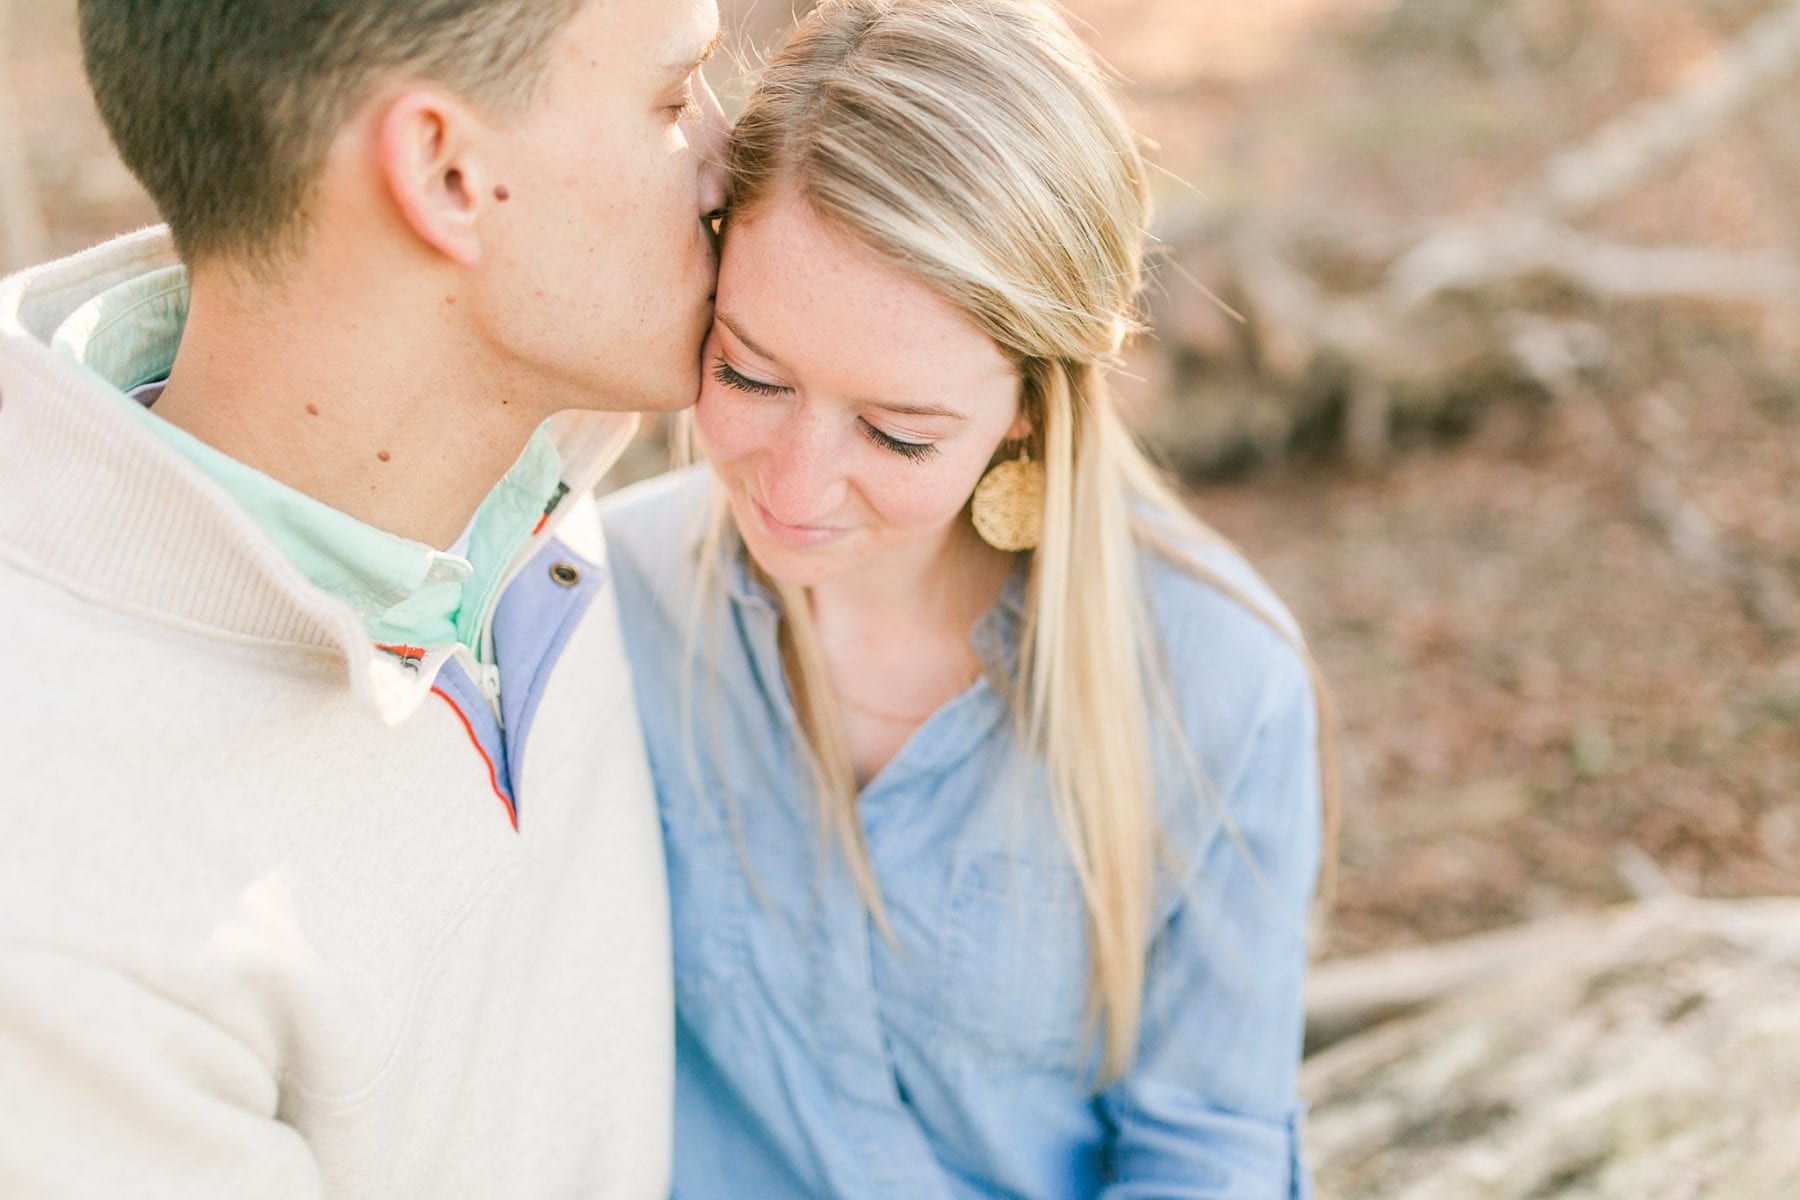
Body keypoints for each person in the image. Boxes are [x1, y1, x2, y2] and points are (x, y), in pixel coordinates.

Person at [599, 0, 1333, 1195]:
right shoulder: (602, 606)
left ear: (1031, 406)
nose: (793, 486)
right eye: (749, 372)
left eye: (895, 434)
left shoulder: (1217, 679)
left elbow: (1209, 1150)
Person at [0, 0, 727, 1194]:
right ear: (448, 173)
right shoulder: (72, 922)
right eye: (670, 101)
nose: (724, 157)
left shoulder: (519, 453)